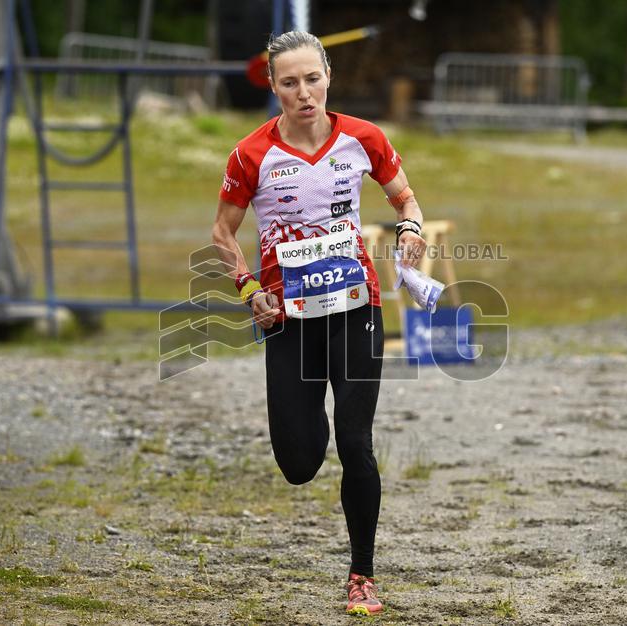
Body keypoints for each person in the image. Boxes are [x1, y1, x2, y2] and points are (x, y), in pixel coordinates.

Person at [211, 31, 427, 616]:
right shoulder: (251, 154)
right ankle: (315, 421)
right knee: (300, 462)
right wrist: (249, 287)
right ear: (273, 86)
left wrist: (409, 228)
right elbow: (223, 233)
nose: (303, 92)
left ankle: (362, 573)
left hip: (357, 306)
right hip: (289, 318)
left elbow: (406, 199)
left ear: (328, 77)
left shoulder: (363, 138)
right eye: (289, 82)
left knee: (357, 442)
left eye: (312, 79)